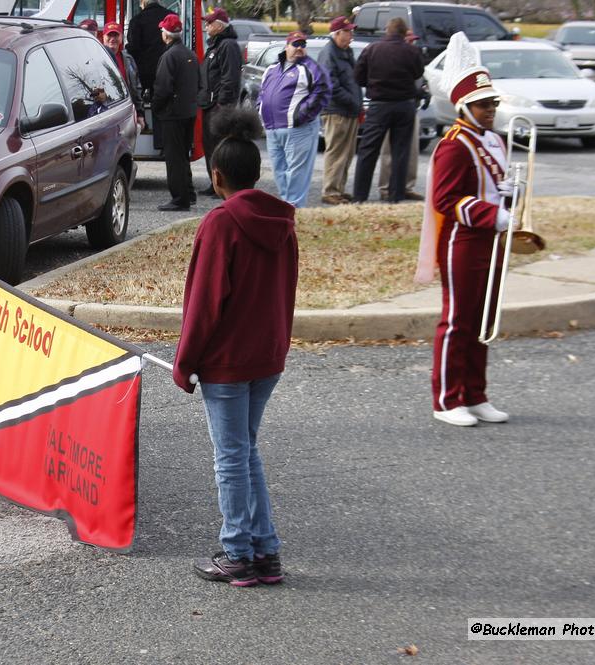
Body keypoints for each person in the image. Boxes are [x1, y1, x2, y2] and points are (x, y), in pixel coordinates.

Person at [174, 107, 298, 587]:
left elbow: (204, 304)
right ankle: (264, 552)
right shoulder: (281, 222)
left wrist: (185, 363)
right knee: (245, 451)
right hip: (267, 357)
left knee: (230, 456)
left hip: (226, 363)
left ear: (216, 175)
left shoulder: (220, 223)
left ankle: (238, 553)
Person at [414, 63, 519, 428]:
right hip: (463, 240)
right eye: (482, 105)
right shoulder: (453, 146)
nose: (490, 110)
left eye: (491, 103)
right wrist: (492, 215)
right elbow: (446, 200)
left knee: (484, 318)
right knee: (458, 319)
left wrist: (509, 198)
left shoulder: (494, 140)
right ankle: (446, 399)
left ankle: (475, 394)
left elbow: (492, 187)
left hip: (491, 240)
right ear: (463, 108)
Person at [351, 17, 424, 204]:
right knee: (400, 152)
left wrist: (374, 83)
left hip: (379, 104)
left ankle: (360, 196)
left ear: (387, 31)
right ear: (403, 32)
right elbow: (418, 73)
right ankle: (395, 195)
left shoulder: (372, 49)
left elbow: (358, 77)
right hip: (404, 104)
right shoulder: (412, 51)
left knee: (368, 151)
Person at [258, 31, 330, 208]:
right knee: (279, 171)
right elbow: (262, 93)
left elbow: (323, 90)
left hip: (298, 129)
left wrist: (301, 115)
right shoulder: (271, 69)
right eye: (295, 44)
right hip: (272, 129)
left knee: (297, 172)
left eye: (303, 45)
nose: (299, 48)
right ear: (286, 46)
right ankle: (287, 205)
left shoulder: (310, 68)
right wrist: (260, 110)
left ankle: (294, 209)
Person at [152, 14, 200, 211]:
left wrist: (156, 107)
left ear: (166, 35)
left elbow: (162, 88)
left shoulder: (169, 56)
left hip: (172, 114)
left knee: (174, 157)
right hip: (188, 111)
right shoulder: (190, 53)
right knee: (183, 155)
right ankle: (188, 193)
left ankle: (179, 199)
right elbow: (198, 82)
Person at [317, 16, 362, 206]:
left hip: (349, 110)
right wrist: (354, 102)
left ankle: (339, 189)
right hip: (336, 111)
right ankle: (330, 190)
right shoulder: (329, 53)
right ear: (337, 33)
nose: (351, 35)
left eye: (351, 31)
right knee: (336, 152)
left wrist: (357, 105)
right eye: (347, 32)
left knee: (347, 153)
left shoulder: (346, 52)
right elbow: (331, 86)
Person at [197, 8, 242, 198]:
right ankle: (215, 182)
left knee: (220, 147)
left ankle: (224, 184)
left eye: (209, 23)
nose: (206, 26)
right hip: (209, 105)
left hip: (219, 107)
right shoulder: (215, 46)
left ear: (219, 25)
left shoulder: (228, 45)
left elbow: (229, 78)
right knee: (210, 147)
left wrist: (222, 104)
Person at [126, 0, 177, 96]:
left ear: (143, 3)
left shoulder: (137, 20)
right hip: (168, 69)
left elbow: (133, 47)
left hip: (145, 73)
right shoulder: (171, 16)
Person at [102, 22, 145, 131]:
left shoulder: (128, 59)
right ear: (103, 37)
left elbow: (136, 88)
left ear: (121, 38)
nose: (112, 39)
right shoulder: (96, 59)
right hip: (106, 116)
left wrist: (140, 113)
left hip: (126, 114)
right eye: (109, 35)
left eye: (116, 35)